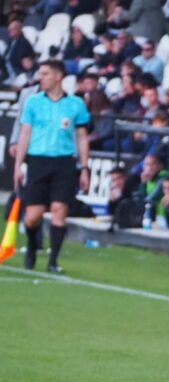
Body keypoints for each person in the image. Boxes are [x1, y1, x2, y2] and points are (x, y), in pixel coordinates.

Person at [12, 60, 91, 274]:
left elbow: (82, 136)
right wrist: (18, 165)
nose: (41, 78)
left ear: (58, 76)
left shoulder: (76, 104)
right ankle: (32, 245)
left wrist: (85, 167)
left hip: (64, 162)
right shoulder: (33, 102)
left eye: (45, 73)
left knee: (59, 210)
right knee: (33, 216)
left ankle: (53, 261)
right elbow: (25, 133)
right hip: (38, 161)